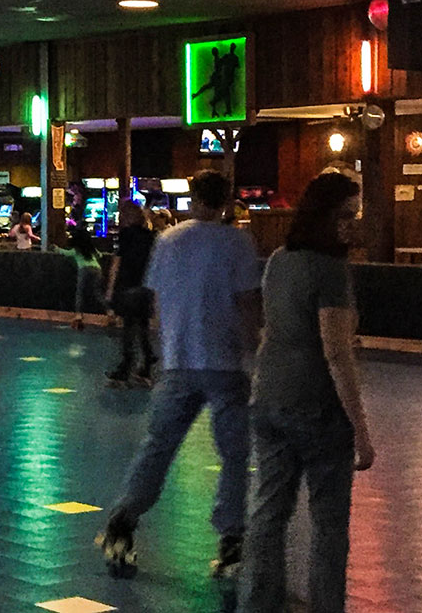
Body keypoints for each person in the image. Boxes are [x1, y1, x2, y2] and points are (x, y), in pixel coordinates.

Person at [96, 170, 262, 579]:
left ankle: (122, 521)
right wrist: (254, 354)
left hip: (178, 361)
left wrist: (167, 342)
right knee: (235, 456)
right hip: (225, 365)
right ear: (226, 202)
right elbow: (246, 304)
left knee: (158, 448)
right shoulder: (237, 243)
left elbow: (155, 301)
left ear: (191, 198)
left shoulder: (168, 240)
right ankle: (231, 539)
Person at [239, 173, 376, 612]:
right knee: (329, 523)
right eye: (345, 216)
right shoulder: (330, 270)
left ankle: (257, 603)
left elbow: (272, 326)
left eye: (355, 215)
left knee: (268, 514)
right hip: (316, 408)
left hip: (269, 396)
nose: (352, 225)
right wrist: (361, 429)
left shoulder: (279, 259)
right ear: (325, 216)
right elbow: (336, 353)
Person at [105, 201, 157, 385]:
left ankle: (125, 368)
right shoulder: (151, 236)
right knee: (142, 326)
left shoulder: (125, 235)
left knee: (128, 328)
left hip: (128, 286)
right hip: (145, 287)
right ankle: (147, 364)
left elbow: (116, 264)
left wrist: (110, 291)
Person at [56, 225, 103, 330]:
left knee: (80, 292)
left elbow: (66, 253)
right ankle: (110, 311)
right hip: (97, 269)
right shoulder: (91, 248)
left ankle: (78, 315)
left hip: (84, 269)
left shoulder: (76, 249)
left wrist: (56, 248)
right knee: (97, 292)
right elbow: (100, 255)